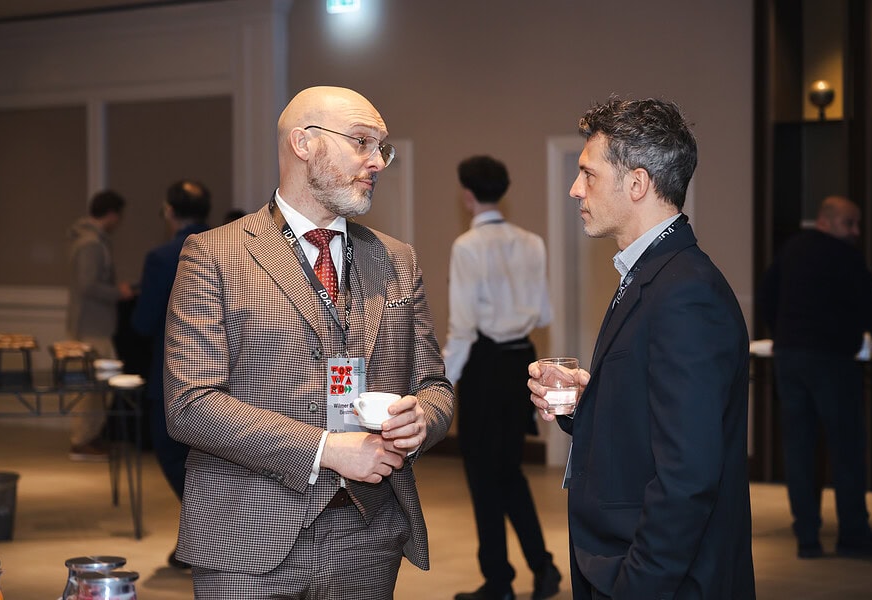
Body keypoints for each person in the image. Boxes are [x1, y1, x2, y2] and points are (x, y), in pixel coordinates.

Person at [163, 85, 454, 599]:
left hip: (367, 538)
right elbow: (190, 405)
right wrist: (327, 449)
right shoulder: (214, 255)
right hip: (245, 535)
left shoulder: (397, 259)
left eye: (381, 148)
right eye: (362, 142)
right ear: (303, 143)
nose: (377, 161)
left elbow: (434, 385)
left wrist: (421, 422)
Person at [527, 97, 755, 599]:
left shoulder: (686, 293)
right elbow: (657, 417)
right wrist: (586, 402)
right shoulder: (654, 274)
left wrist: (637, 583)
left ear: (636, 184)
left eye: (588, 174)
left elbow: (688, 475)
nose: (575, 188)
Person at [444, 155, 560, 600]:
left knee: (482, 475)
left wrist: (439, 382)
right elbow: (544, 313)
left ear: (467, 195)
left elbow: (462, 328)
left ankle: (499, 582)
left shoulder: (467, 246)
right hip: (521, 364)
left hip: (484, 364)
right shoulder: (533, 242)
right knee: (508, 471)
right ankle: (542, 568)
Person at [758, 195, 872, 558]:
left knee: (799, 449)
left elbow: (767, 294)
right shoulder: (846, 257)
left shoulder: (792, 249)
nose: (856, 231)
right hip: (832, 360)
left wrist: (784, 332)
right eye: (850, 223)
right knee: (847, 448)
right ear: (826, 221)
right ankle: (853, 534)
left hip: (790, 358)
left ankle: (807, 537)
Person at [131, 179, 211, 570]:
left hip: (173, 373)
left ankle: (209, 531)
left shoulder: (163, 256)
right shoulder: (231, 248)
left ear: (170, 211)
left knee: (170, 452)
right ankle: (199, 536)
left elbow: (143, 322)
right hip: (227, 375)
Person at [66, 189, 135, 461]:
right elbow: (87, 286)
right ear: (112, 214)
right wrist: (119, 292)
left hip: (94, 324)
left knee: (97, 388)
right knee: (92, 390)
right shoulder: (91, 243)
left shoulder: (90, 239)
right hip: (91, 327)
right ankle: (81, 441)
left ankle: (89, 437)